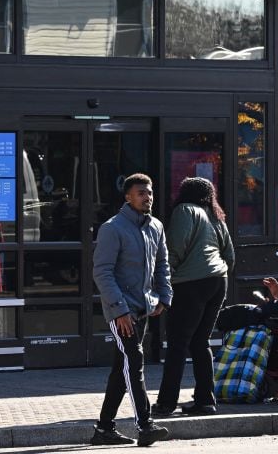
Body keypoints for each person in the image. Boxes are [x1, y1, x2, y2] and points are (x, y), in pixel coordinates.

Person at [90, 173, 173, 447]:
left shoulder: (156, 227)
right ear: (128, 197)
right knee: (134, 362)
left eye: (149, 192)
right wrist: (119, 309)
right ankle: (145, 426)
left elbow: (162, 265)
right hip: (120, 311)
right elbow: (102, 272)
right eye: (141, 193)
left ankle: (104, 429)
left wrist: (163, 297)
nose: (147, 197)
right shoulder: (112, 228)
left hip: (143, 309)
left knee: (121, 369)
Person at [152, 176, 235, 417]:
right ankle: (205, 400)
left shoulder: (184, 210)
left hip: (190, 283)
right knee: (201, 342)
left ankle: (167, 403)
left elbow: (174, 249)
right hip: (219, 281)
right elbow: (229, 255)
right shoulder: (216, 216)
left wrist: (164, 280)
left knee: (178, 343)